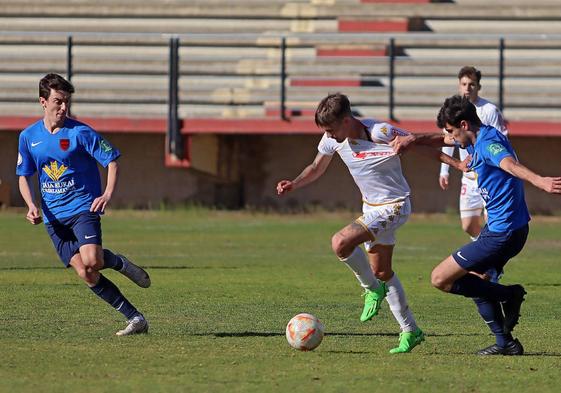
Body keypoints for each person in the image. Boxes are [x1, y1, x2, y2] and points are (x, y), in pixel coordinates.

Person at [276, 93, 466, 354]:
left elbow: (419, 145)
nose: (329, 136)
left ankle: (371, 290)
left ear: (346, 121)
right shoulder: (332, 139)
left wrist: (456, 163)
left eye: (331, 130)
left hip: (396, 204)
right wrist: (294, 183)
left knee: (340, 243)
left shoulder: (380, 131)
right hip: (372, 208)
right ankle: (411, 331)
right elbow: (316, 167)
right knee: (382, 272)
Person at [392, 95, 561, 355]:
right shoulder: (474, 137)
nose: (449, 137)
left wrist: (540, 181)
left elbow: (509, 164)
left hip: (502, 233)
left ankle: (509, 295)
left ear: (464, 124)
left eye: (451, 130)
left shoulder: (488, 143)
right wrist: (412, 139)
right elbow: (442, 139)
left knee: (440, 278)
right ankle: (506, 344)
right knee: (477, 281)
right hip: (509, 229)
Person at [16, 73, 151, 336]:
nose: (64, 107)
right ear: (43, 102)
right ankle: (136, 319)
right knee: (86, 273)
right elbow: (23, 175)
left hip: (82, 208)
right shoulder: (28, 136)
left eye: (66, 101)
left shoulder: (81, 132)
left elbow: (111, 160)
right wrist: (30, 205)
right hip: (53, 219)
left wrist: (107, 194)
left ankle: (117, 262)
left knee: (93, 260)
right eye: (58, 101)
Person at [439, 66, 509, 240]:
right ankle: (484, 248)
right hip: (469, 178)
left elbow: (500, 139)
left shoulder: (489, 110)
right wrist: (444, 170)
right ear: (459, 85)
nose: (467, 88)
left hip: (488, 175)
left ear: (478, 86)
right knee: (468, 225)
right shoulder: (454, 112)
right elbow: (449, 139)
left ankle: (489, 257)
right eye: (464, 84)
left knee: (492, 222)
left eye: (472, 84)